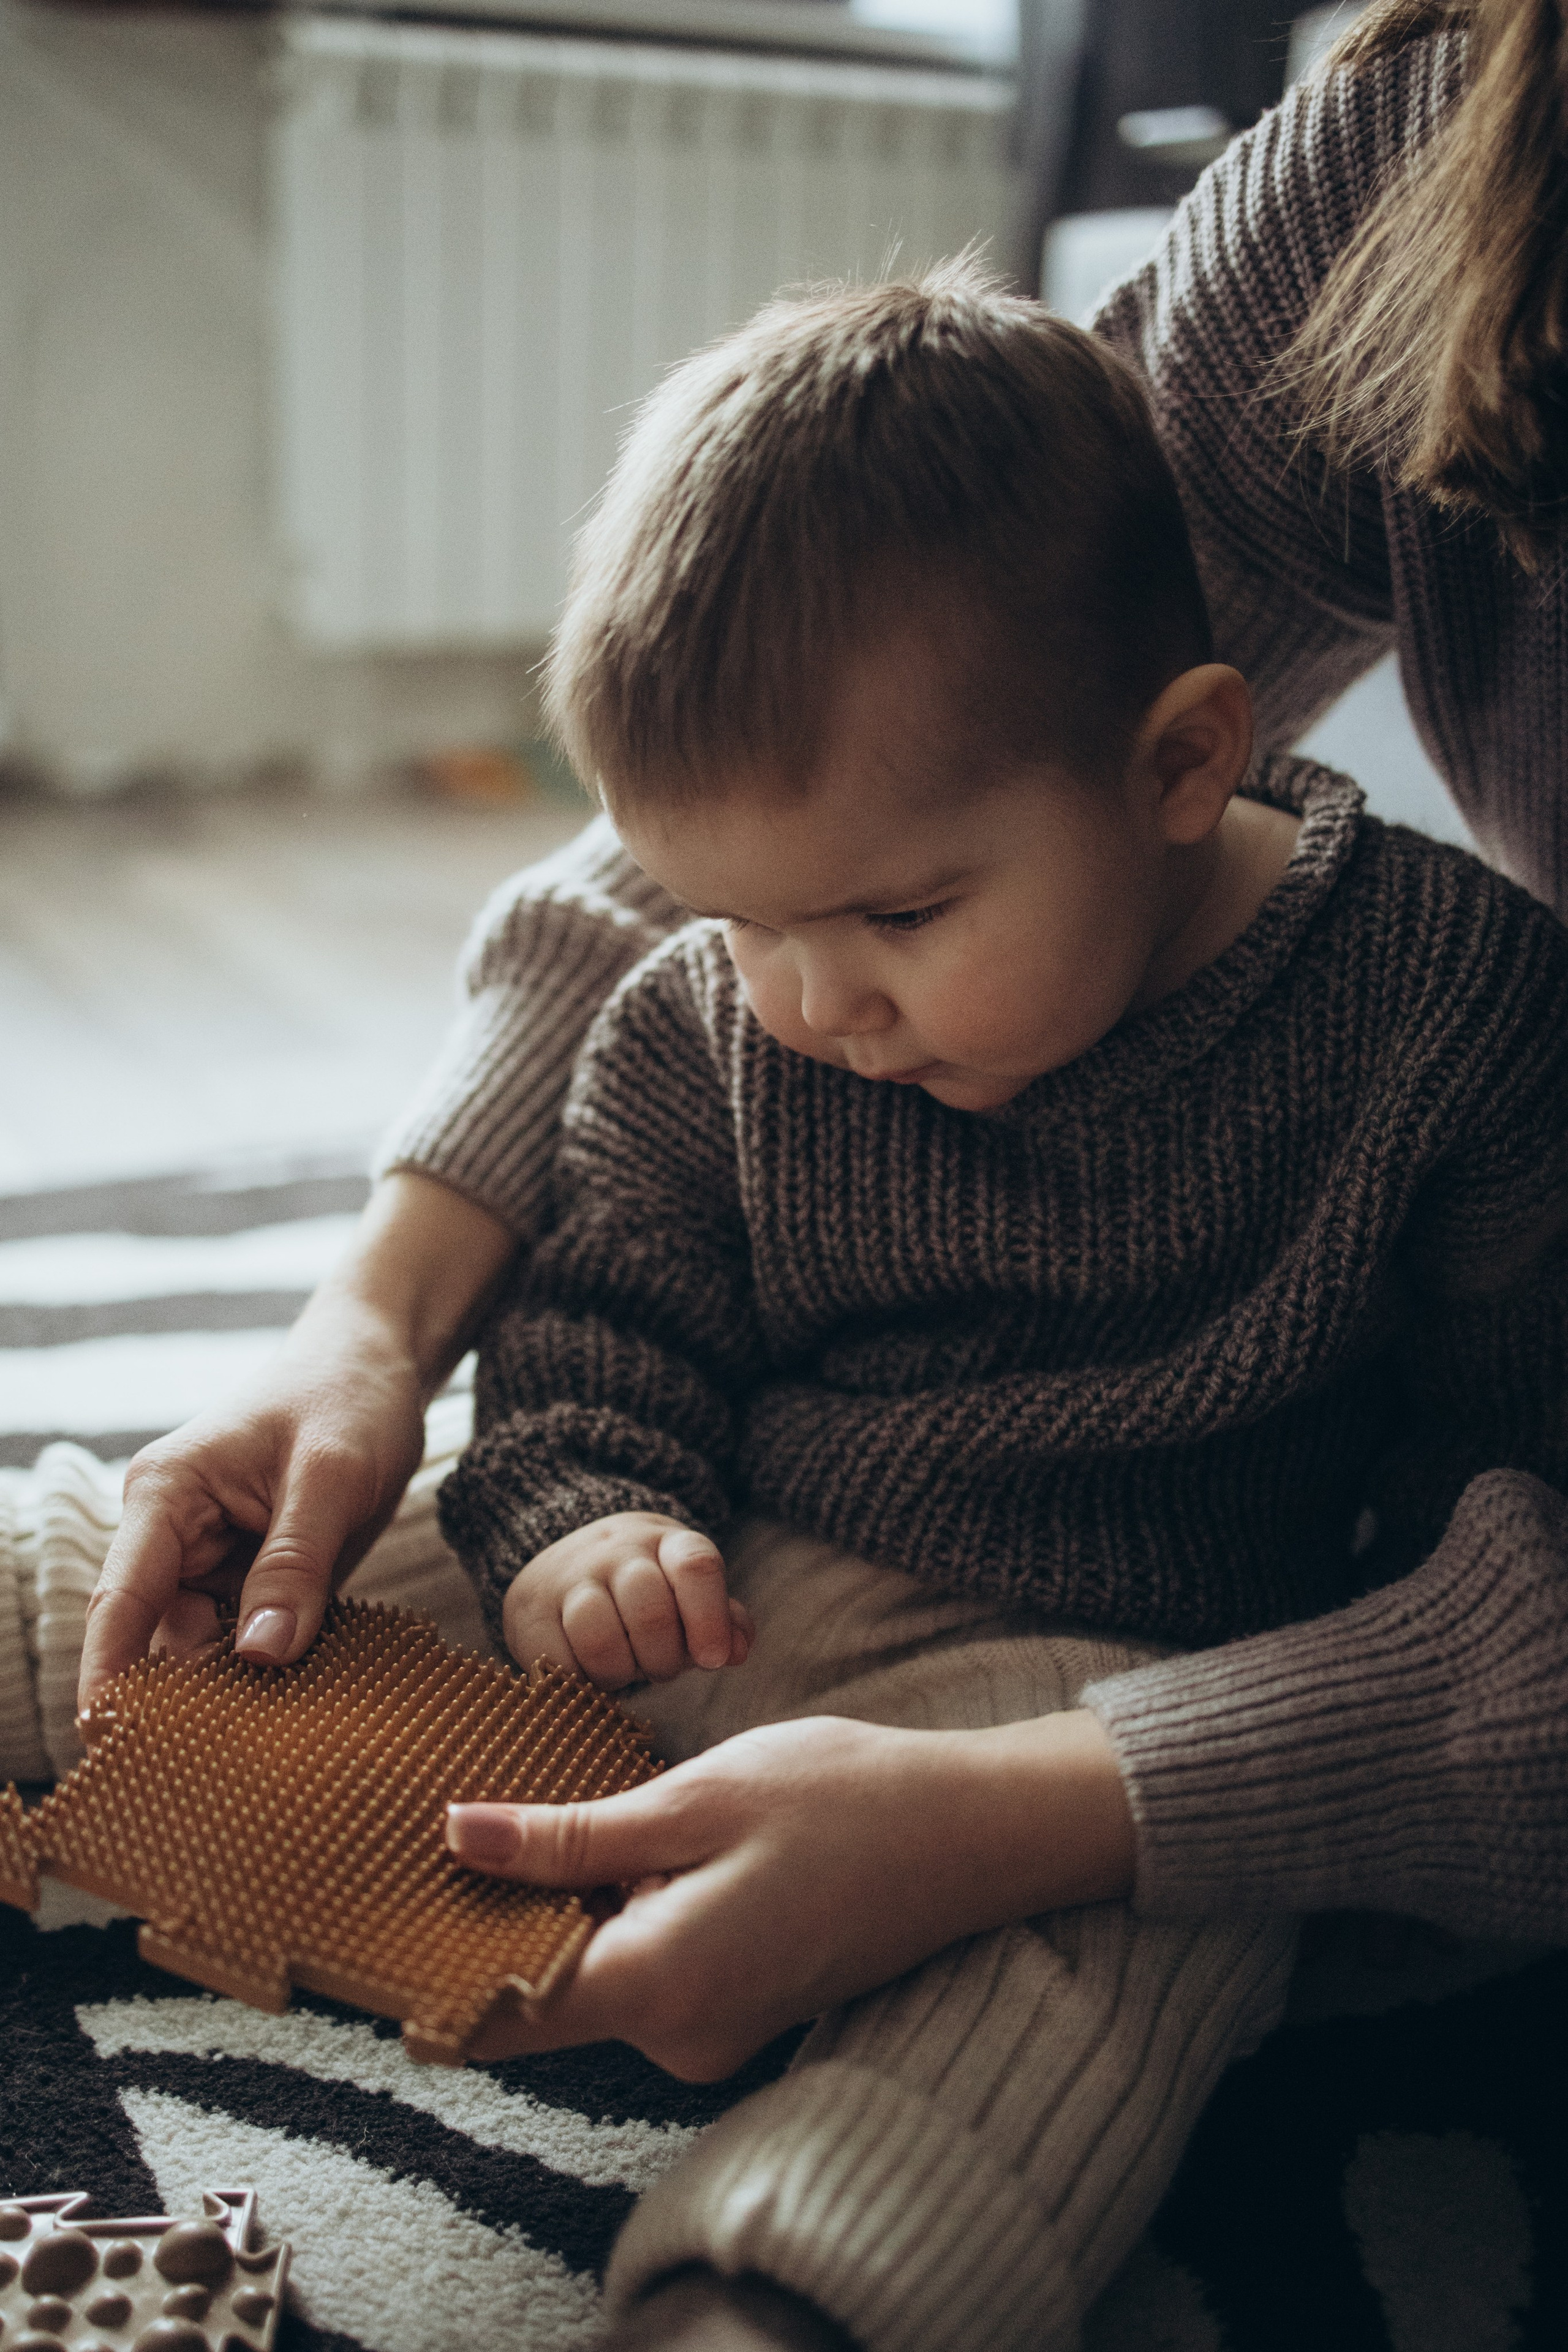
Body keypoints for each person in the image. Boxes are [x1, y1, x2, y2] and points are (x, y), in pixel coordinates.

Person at [71, 0, 1568, 2334]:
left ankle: (769, 2299)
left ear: (1188, 763)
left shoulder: (1450, 1012)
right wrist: (558, 1500)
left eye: (893, 921)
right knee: (198, 1575)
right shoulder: (731, 1000)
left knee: (1089, 2004)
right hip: (707, 1579)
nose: (801, 1005)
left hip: (1107, 1681)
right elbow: (599, 1338)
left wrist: (1200, 1801)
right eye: (737, 921)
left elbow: (1499, 1472)